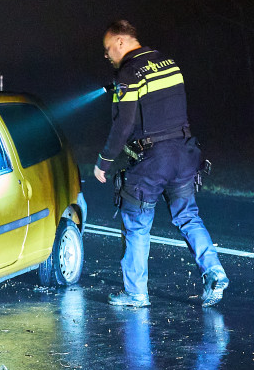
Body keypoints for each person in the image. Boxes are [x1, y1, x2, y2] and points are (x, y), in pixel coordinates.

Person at [92, 20, 228, 307]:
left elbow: (124, 124)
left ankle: (135, 293)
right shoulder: (169, 63)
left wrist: (103, 162)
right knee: (188, 217)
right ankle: (214, 273)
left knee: (136, 223)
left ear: (120, 42)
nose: (107, 56)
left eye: (107, 49)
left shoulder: (129, 73)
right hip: (185, 152)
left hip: (152, 161)